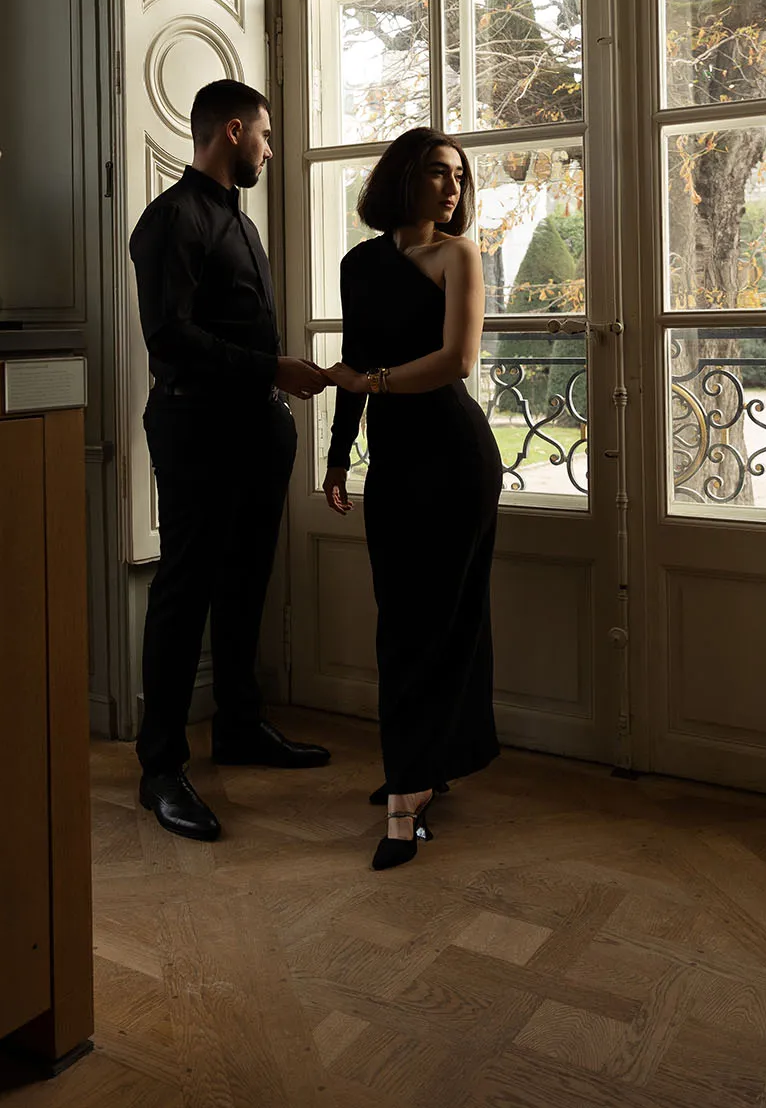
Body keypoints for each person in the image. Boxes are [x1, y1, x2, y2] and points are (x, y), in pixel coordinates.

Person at [129, 79, 330, 842]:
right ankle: (159, 768)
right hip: (196, 429)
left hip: (253, 431)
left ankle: (239, 727)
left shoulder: (238, 221)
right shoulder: (170, 219)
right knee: (184, 592)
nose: (271, 152)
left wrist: (271, 394)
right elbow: (168, 337)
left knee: (246, 582)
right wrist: (272, 369)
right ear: (234, 131)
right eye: (266, 137)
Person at [321, 127, 502, 871]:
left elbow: (457, 360)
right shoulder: (358, 264)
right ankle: (419, 764)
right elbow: (354, 361)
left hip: (456, 460)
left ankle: (408, 791)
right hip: (395, 461)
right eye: (436, 172)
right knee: (401, 619)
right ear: (402, 179)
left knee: (441, 621)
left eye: (459, 175)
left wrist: (373, 384)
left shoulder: (459, 256)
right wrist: (339, 455)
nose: (452, 187)